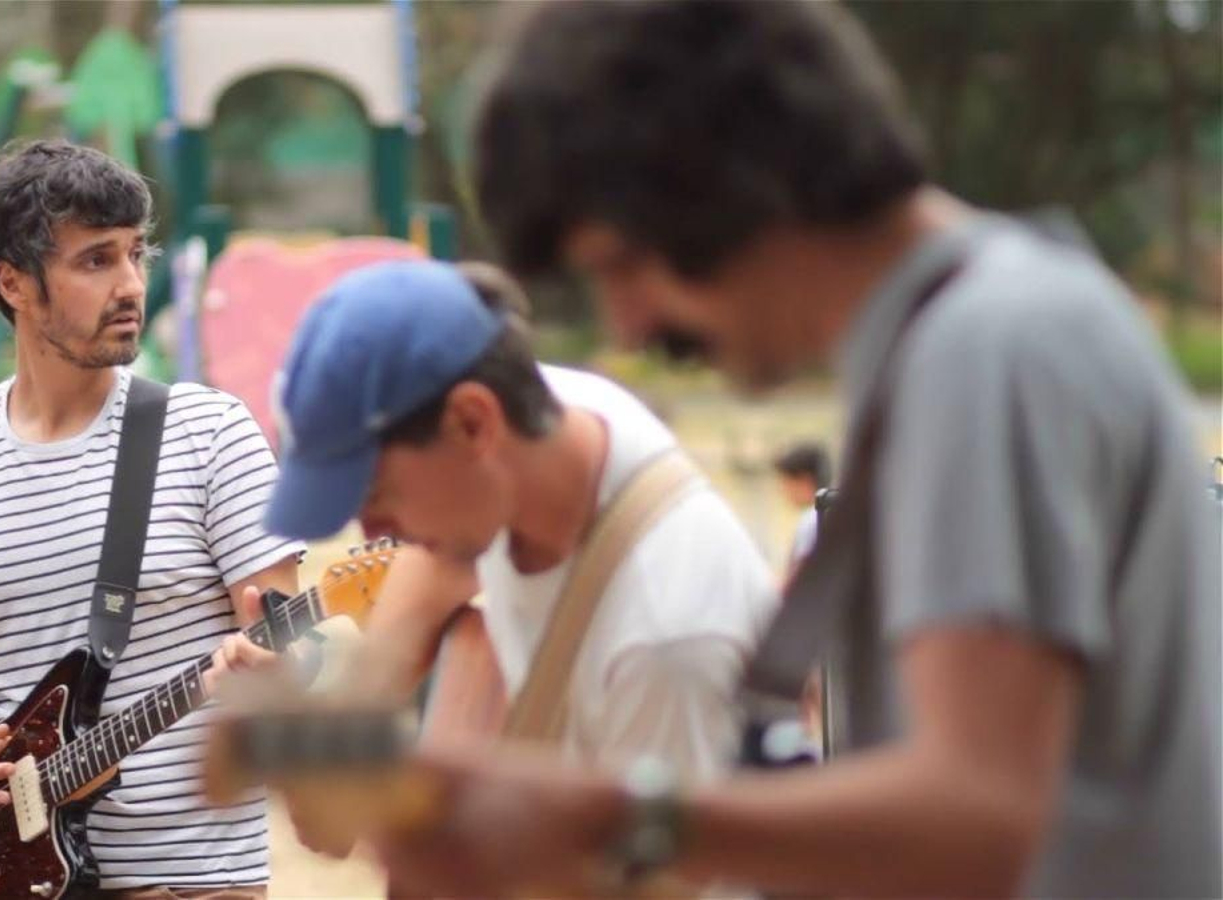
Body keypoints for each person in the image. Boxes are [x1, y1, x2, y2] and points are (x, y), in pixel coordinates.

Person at [369, 2, 1222, 898]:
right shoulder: (981, 331)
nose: (629, 321)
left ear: (721, 186)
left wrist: (600, 817)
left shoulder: (986, 351)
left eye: (624, 263)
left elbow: (981, 819)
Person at [0, 139, 302, 899]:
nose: (130, 286)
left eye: (134, 255)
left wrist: (282, 669)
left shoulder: (209, 434)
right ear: (14, 283)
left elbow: (285, 638)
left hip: (189, 881)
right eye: (95, 261)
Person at [261, 259, 776, 796]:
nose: (373, 534)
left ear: (472, 423)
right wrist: (346, 739)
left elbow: (653, 874)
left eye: (375, 496)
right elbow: (436, 564)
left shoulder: (669, 639)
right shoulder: (550, 417)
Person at [772, 441, 830, 571]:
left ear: (805, 480)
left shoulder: (811, 520)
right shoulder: (831, 514)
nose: (782, 490)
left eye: (786, 482)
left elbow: (801, 575)